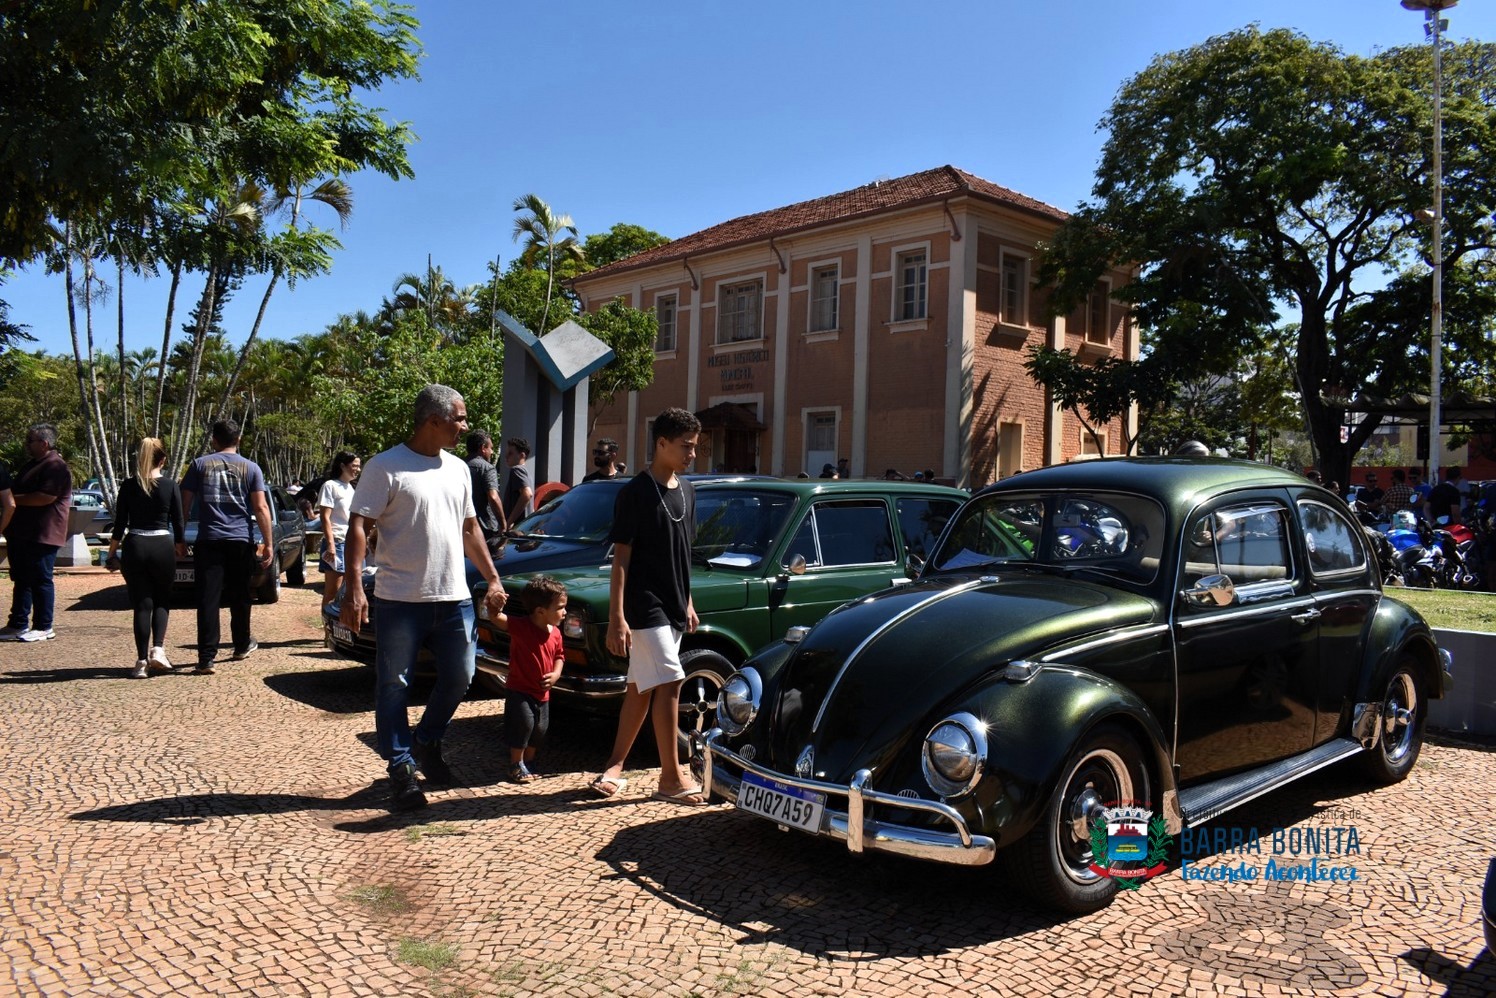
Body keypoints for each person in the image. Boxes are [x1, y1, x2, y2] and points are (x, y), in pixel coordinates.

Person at [340, 384, 509, 813]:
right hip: (400, 600)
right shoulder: (385, 467)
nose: (466, 426)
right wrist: (355, 585)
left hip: (454, 597)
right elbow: (358, 525)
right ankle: (400, 767)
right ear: (434, 420)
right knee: (394, 685)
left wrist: (492, 579)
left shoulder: (457, 470)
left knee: (461, 676)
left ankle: (427, 740)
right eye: (460, 418)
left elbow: (470, 529)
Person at [591, 407, 706, 805]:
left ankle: (614, 767)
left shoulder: (688, 491)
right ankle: (671, 777)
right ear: (661, 443)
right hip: (645, 604)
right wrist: (616, 617)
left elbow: (682, 553)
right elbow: (621, 558)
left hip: (674, 605)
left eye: (694, 446)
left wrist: (688, 602)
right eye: (685, 446)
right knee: (671, 679)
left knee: (640, 686)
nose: (692, 454)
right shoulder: (635, 493)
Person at [179, 418, 274, 674]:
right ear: (238, 439)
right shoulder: (251, 468)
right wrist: (268, 543)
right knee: (240, 595)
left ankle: (206, 657)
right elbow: (261, 507)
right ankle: (241, 644)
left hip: (208, 540)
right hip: (240, 540)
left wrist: (178, 537)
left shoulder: (199, 465)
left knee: (208, 599)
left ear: (214, 440)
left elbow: (184, 505)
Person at [104, 437, 186, 677]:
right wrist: (180, 546)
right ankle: (158, 649)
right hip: (161, 543)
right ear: (163, 460)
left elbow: (119, 524)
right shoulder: (171, 486)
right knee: (162, 600)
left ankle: (141, 661)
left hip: (135, 544)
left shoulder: (128, 486)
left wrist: (111, 554)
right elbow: (178, 522)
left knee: (142, 604)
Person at [1, 424, 72, 642]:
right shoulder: (32, 465)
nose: (26, 444)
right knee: (22, 579)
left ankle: (43, 625)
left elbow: (45, 497)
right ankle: (18, 623)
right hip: (23, 533)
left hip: (43, 533)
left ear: (44, 443)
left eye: (30, 440)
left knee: (41, 578)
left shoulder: (55, 466)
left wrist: (12, 501)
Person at [496, 575, 567, 784]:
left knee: (540, 728)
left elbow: (560, 656)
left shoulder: (555, 633)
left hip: (542, 692)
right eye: (560, 608)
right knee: (523, 725)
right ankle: (515, 764)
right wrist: (495, 607)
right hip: (520, 689)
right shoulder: (522, 627)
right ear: (540, 611)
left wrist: (556, 674)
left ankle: (530, 761)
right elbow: (499, 620)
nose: (564, 613)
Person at [317, 451, 361, 608]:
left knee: (348, 590)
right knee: (332, 592)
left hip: (351, 544)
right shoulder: (330, 486)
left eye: (359, 466)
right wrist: (330, 545)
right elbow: (325, 517)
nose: (357, 469)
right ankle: (328, 629)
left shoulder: (351, 489)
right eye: (354, 465)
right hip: (337, 543)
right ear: (342, 466)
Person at [464, 430, 506, 557]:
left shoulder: (458, 466)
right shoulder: (487, 468)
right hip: (486, 530)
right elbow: (493, 497)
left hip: (462, 529)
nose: (492, 452)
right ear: (483, 448)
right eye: (491, 448)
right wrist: (503, 525)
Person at [502, 437, 534, 528]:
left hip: (517, 528)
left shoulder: (516, 469)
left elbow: (527, 494)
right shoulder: (527, 474)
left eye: (510, 453)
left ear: (522, 455)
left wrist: (508, 522)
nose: (506, 456)